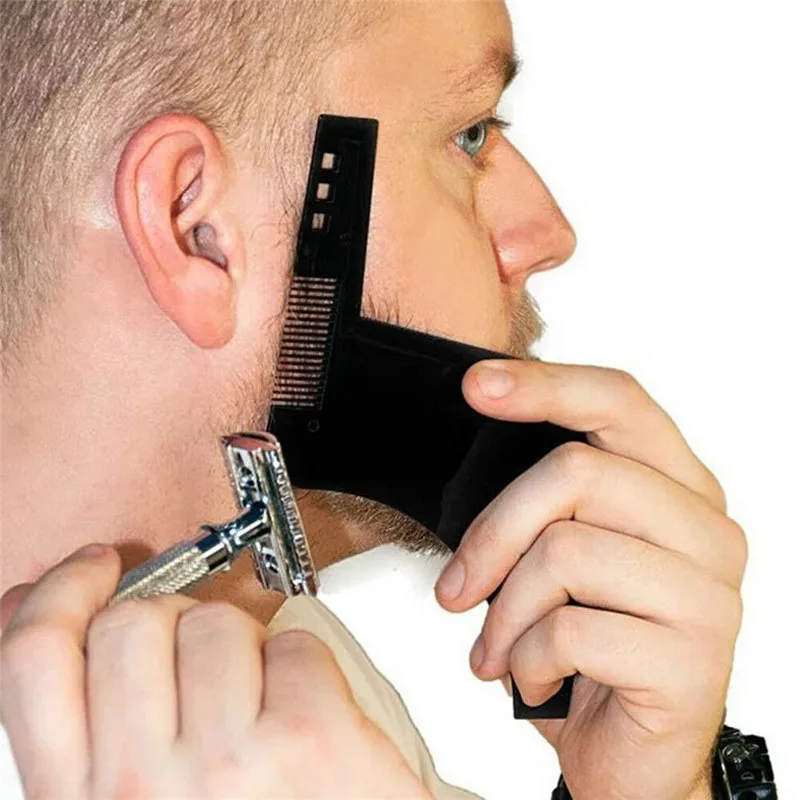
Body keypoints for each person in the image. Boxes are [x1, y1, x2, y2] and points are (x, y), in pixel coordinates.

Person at [0, 1, 747, 798]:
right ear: (195, 228)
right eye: (470, 134)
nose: (547, 234)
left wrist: (654, 792)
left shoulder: (286, 689)